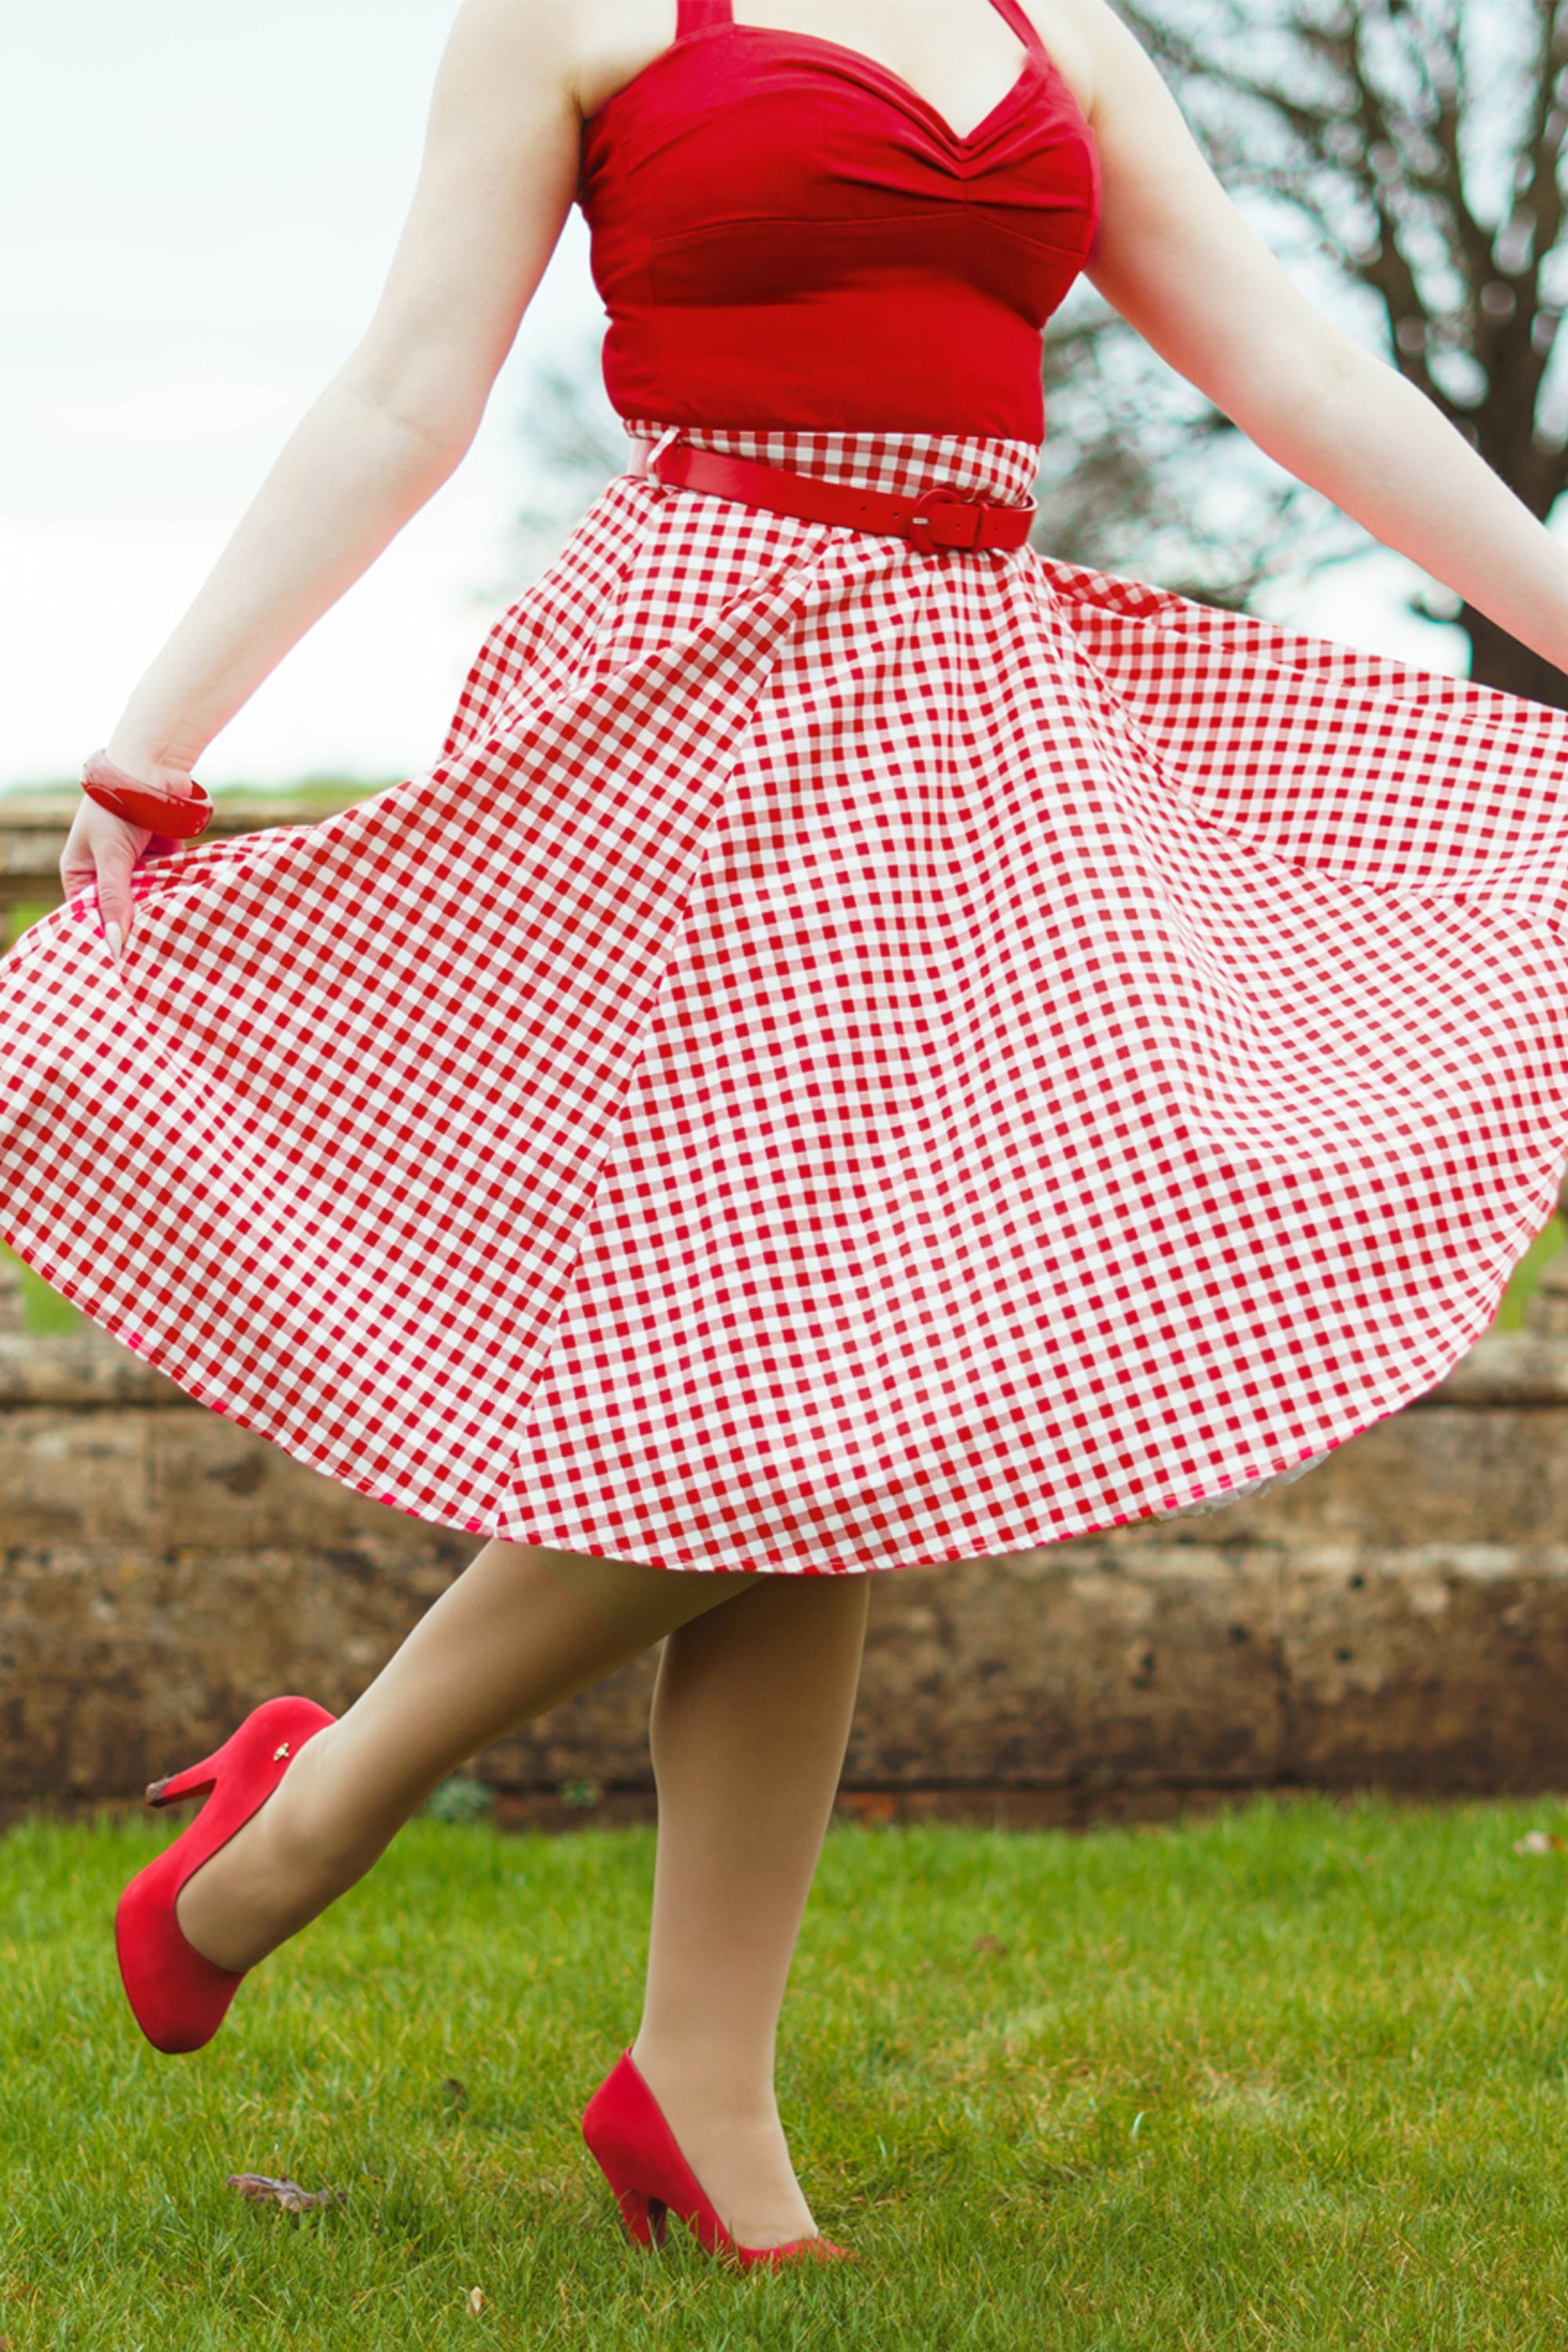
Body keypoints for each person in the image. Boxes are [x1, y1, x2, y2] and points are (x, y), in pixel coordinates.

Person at [6, 0, 1568, 2271]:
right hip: (699, 712)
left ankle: (593, 2008)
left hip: (968, 728)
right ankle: (361, 1855)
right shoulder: (582, 14)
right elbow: (400, 392)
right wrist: (156, 744)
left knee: (829, 1392)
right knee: (784, 1392)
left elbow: (1304, 386)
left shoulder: (1070, 44)